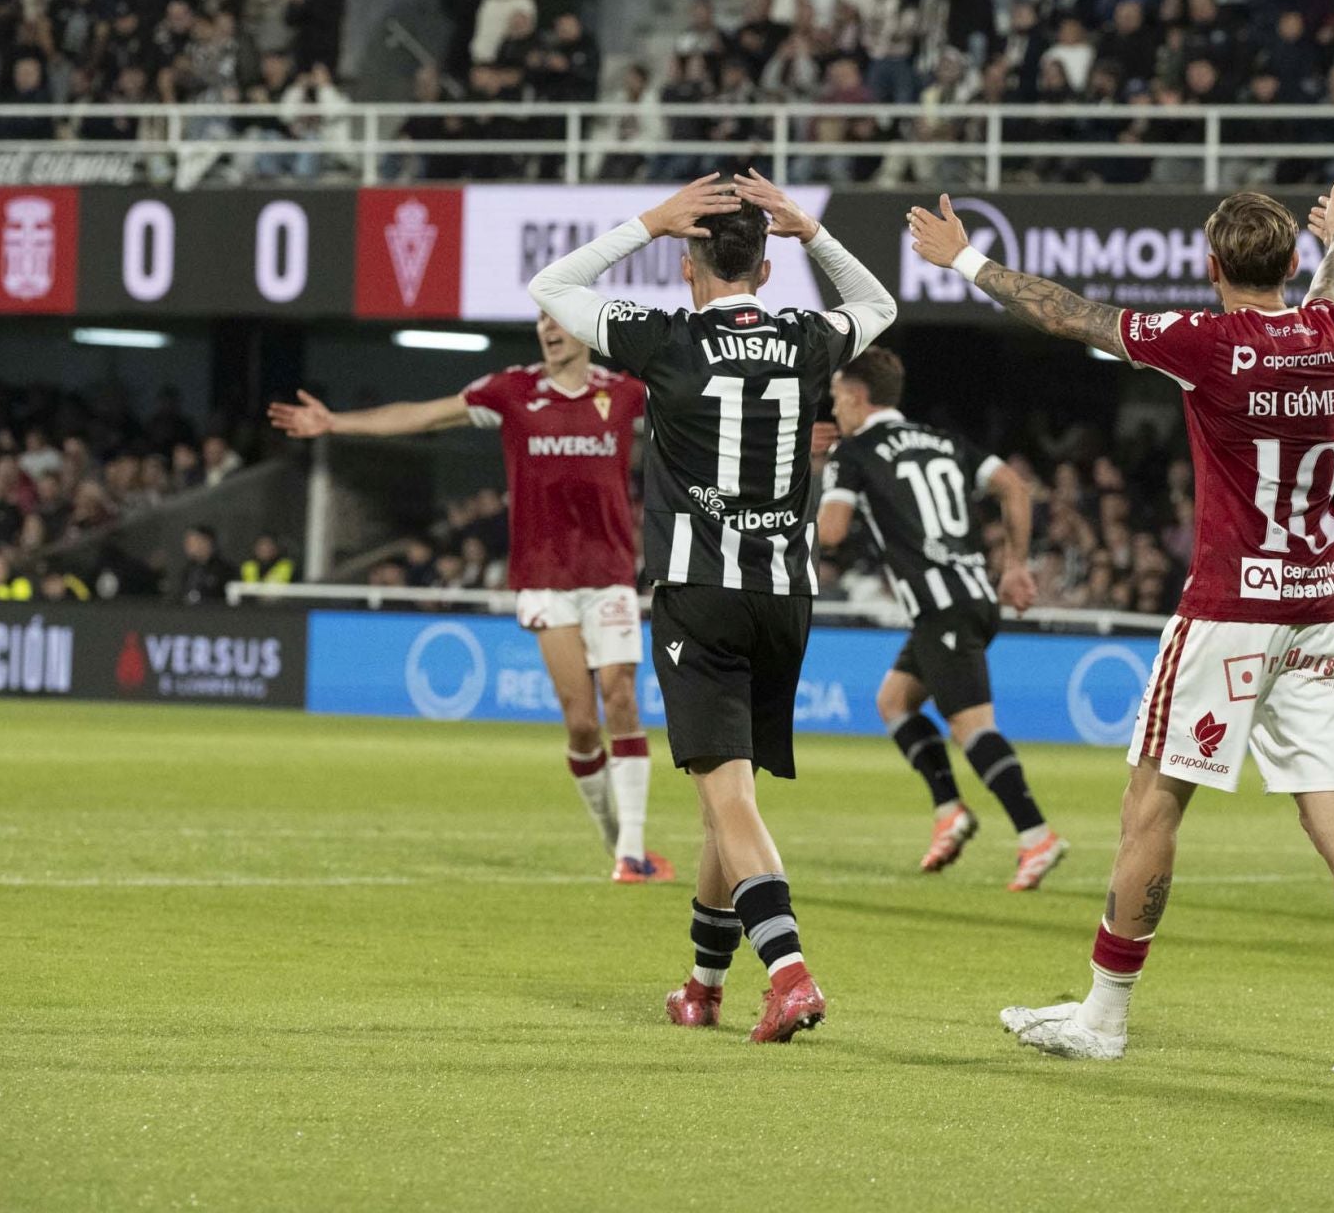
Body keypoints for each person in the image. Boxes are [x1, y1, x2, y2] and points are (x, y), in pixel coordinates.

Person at [907, 180, 1334, 1075]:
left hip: (1232, 611)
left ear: (1212, 267)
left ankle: (1103, 1018)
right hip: (1326, 608)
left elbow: (1072, 315)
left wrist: (967, 261)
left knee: (1151, 805)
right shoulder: (1330, 333)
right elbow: (1330, 289)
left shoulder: (1206, 343)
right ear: (1290, 263)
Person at [528, 170, 896, 1042]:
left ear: (687, 265)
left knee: (728, 800)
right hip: (785, 598)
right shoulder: (806, 337)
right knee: (723, 802)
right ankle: (703, 986)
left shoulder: (665, 338)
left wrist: (650, 221)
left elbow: (552, 286)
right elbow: (877, 303)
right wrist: (811, 230)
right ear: (766, 269)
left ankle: (790, 972)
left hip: (701, 596)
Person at [267, 315, 672, 886]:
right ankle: (615, 837)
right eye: (541, 320)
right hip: (544, 578)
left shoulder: (625, 392)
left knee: (620, 695)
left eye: (559, 319)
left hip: (608, 575)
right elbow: (424, 414)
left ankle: (630, 853)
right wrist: (337, 422)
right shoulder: (511, 391)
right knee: (582, 723)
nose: (549, 329)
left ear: (584, 327)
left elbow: (701, 409)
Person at [815, 346, 1069, 888]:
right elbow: (1014, 487)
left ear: (857, 397)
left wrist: (819, 475)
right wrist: (1014, 566)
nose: (834, 410)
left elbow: (831, 533)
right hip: (970, 596)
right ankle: (950, 810)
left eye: (836, 399)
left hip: (942, 606)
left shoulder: (853, 452)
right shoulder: (944, 441)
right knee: (894, 701)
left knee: (971, 728)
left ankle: (1036, 835)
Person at [174, 525, 234, 604]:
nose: (187, 546)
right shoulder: (188, 570)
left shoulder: (224, 570)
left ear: (206, 541)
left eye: (192, 542)